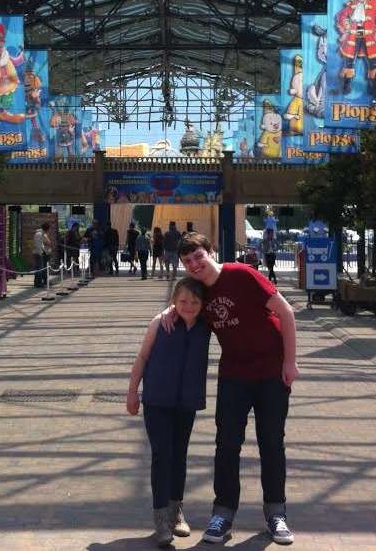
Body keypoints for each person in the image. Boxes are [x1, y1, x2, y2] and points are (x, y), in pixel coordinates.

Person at [161, 233, 298, 545]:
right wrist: (171, 310)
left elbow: (286, 313)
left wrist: (290, 362)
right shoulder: (199, 292)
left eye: (198, 256)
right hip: (234, 375)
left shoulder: (242, 274)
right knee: (226, 445)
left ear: (212, 251)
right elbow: (184, 305)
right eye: (187, 261)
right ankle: (223, 513)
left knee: (272, 442)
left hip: (271, 372)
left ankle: (276, 513)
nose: (195, 264)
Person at [127, 278, 211, 549]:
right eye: (183, 301)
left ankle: (177, 511)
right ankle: (161, 517)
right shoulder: (160, 323)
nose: (188, 306)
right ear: (174, 300)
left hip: (186, 402)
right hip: (157, 401)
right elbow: (142, 357)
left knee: (180, 456)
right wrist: (132, 392)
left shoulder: (205, 326)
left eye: (195, 302)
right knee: (162, 456)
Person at [32, 222, 51, 288]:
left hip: (40, 253)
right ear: (47, 228)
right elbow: (38, 245)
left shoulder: (42, 234)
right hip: (38, 254)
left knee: (41, 268)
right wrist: (40, 253)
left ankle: (39, 282)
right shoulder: (39, 234)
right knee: (39, 268)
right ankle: (37, 283)